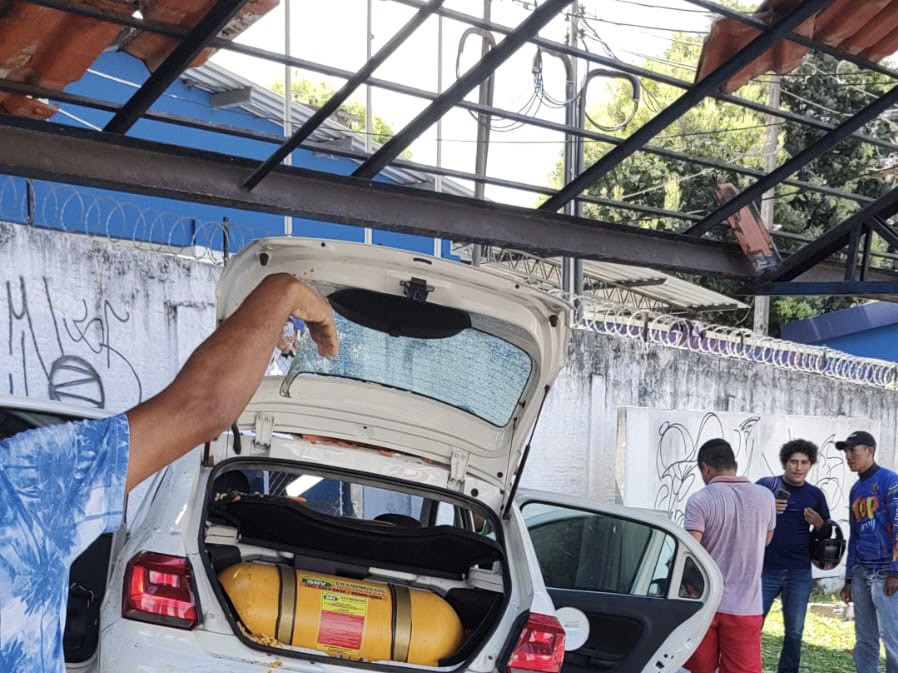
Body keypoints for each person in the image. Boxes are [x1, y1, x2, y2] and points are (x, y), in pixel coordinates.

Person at [0, 273, 339, 673]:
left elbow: (203, 408)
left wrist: (284, 293)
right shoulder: (20, 488)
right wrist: (284, 292)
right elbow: (201, 407)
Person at [682, 438, 776, 673]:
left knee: (699, 669)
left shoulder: (700, 500)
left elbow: (690, 551)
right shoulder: (765, 497)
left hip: (705, 603)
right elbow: (766, 540)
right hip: (746, 606)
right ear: (733, 464)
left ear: (705, 468)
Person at [756, 438, 831, 673]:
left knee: (795, 632)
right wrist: (767, 508)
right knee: (752, 625)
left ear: (810, 465)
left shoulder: (815, 495)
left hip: (799, 570)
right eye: (793, 462)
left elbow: (826, 533)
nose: (798, 467)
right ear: (784, 463)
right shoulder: (765, 486)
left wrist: (820, 524)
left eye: (804, 462)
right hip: (766, 568)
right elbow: (747, 518)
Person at [837, 430, 898, 673]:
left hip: (886, 573)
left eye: (853, 450)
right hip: (861, 572)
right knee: (864, 639)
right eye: (846, 452)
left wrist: (895, 571)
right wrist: (849, 579)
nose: (848, 456)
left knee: (892, 638)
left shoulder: (890, 481)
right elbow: (855, 535)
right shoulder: (856, 489)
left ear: (869, 451)